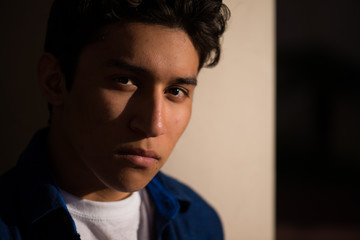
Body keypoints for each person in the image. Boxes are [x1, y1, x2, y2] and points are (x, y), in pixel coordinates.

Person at [0, 0, 230, 239]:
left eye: (176, 91)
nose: (154, 125)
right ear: (55, 81)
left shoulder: (200, 223)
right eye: (125, 81)